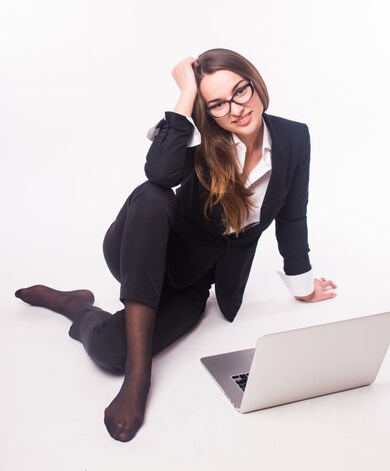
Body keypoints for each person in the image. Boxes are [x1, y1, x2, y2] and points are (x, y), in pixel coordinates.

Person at [15, 48, 337, 443]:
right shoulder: (200, 140)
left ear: (255, 82)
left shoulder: (294, 137)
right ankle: (139, 380)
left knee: (110, 352)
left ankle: (76, 306)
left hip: (190, 279)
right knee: (153, 195)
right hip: (139, 248)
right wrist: (186, 96)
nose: (235, 109)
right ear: (207, 110)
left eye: (240, 91)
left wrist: (301, 286)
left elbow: (292, 216)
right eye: (217, 103)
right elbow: (159, 174)